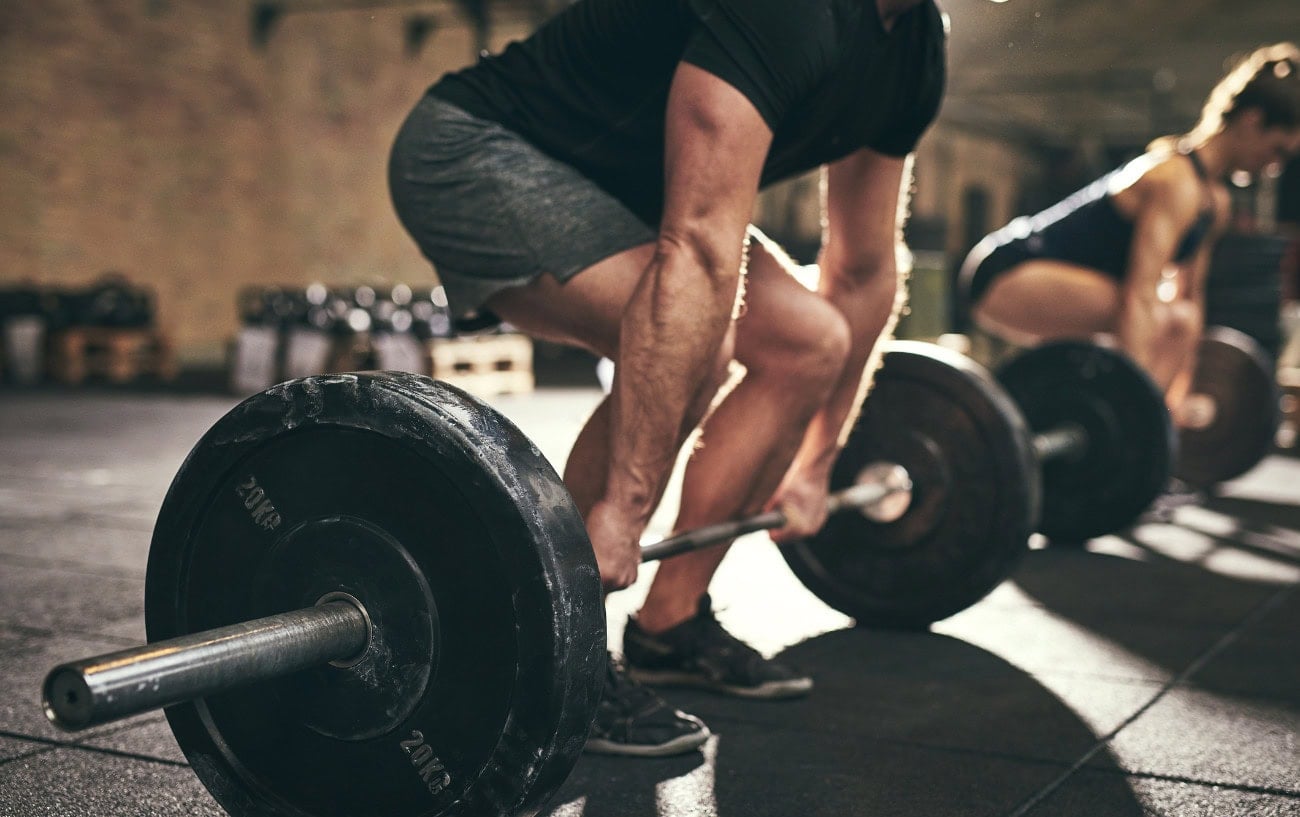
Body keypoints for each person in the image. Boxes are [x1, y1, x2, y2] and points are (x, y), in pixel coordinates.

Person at [389, 0, 947, 756]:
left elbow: (864, 268)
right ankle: (552, 659)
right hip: (481, 151)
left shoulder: (914, 45)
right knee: (696, 349)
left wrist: (818, 461)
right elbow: (699, 248)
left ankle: (670, 623)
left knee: (810, 342)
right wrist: (624, 505)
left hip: (632, 194)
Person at [959, 43, 1300, 422]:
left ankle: (1140, 423)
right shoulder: (1175, 181)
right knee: (1158, 315)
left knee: (1179, 317)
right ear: (1252, 122)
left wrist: (1178, 397)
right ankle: (1128, 421)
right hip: (1004, 273)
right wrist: (1136, 411)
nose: (1274, 167)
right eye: (1278, 151)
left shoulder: (1214, 202)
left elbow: (1192, 300)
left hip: (1067, 285)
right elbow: (1138, 298)